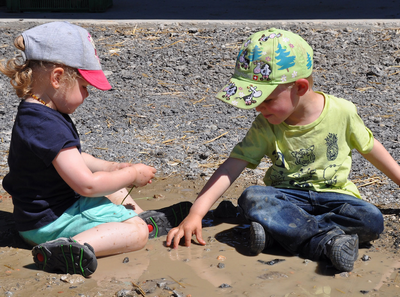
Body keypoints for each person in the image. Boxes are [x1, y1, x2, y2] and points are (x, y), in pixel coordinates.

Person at [166, 28, 400, 272]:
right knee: (253, 197)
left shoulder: (343, 112)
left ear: (299, 87)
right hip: (287, 199)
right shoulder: (265, 124)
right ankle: (327, 243)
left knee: (371, 218)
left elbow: (371, 148)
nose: (257, 108)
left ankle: (278, 236)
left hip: (335, 198)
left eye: (265, 100)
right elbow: (232, 166)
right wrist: (196, 213)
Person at [0, 21, 191, 277]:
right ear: (57, 78)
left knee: (114, 182)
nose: (87, 95)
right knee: (135, 234)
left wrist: (112, 168)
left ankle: (142, 218)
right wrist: (132, 175)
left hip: (49, 211)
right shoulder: (45, 124)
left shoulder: (41, 112)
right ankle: (70, 248)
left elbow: (73, 158)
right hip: (50, 223)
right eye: (84, 87)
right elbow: (86, 186)